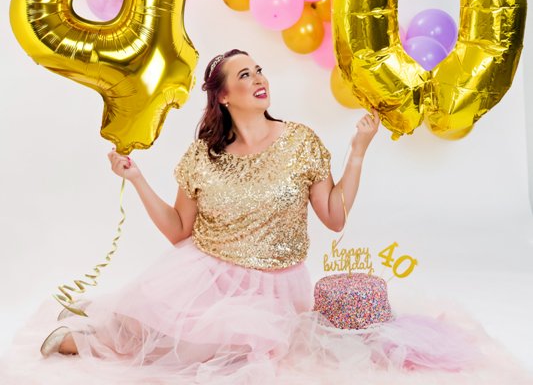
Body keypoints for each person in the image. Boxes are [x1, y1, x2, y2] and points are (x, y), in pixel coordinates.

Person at [4, 49, 533, 384]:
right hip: (207, 274)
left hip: (279, 288)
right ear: (223, 95)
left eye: (259, 70)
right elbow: (176, 232)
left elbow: (333, 215)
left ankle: (115, 322)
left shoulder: (301, 141)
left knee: (232, 353)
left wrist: (358, 151)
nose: (258, 78)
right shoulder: (201, 156)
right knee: (182, 348)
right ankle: (103, 329)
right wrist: (136, 178)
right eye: (243, 74)